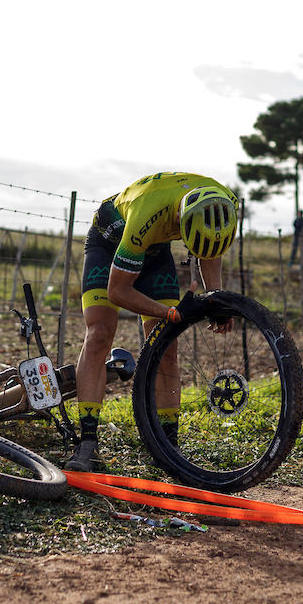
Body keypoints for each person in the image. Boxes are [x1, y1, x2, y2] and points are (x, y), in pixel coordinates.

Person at [67, 172, 239, 471]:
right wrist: (167, 312)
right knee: (100, 333)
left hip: (156, 250)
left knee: (166, 344)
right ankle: (87, 442)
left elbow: (211, 249)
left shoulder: (224, 204)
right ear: (178, 217)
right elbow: (118, 291)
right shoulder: (146, 212)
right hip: (110, 244)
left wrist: (215, 299)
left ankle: (168, 445)